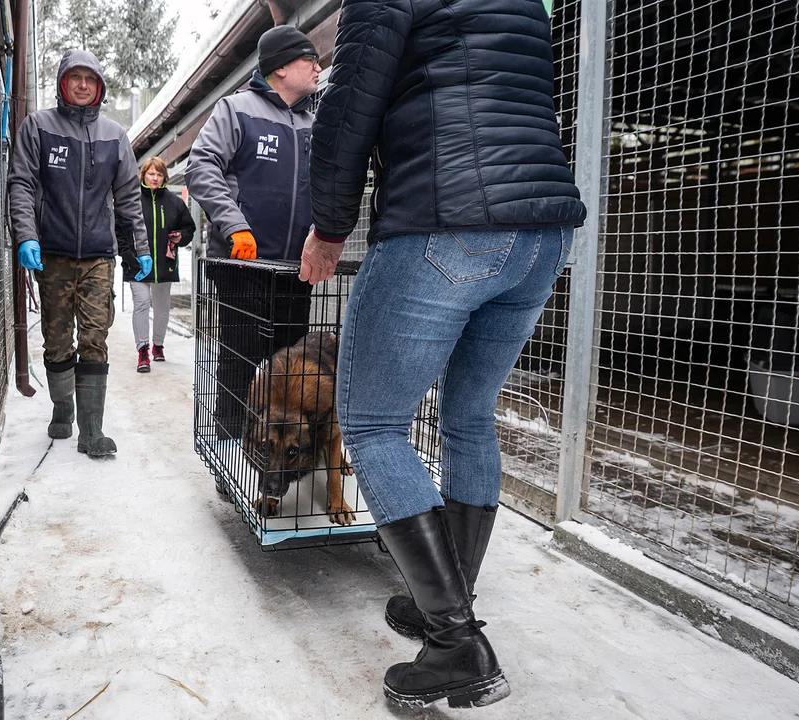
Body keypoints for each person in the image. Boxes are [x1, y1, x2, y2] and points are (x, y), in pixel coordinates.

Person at [302, 0, 586, 709]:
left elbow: (348, 107)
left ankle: (456, 644)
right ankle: (449, 597)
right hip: (541, 233)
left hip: (446, 220)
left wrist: (330, 227)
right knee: (467, 417)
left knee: (371, 424)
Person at [8, 49, 152, 458]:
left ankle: (92, 431)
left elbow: (128, 198)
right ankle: (63, 409)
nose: (84, 85)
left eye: (91, 78)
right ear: (62, 83)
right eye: (76, 77)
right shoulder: (38, 127)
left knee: (94, 337)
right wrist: (25, 236)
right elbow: (20, 184)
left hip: (98, 257)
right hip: (51, 254)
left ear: (100, 86)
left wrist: (138, 249)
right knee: (57, 339)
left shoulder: (114, 135)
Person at [185, 25, 321, 440]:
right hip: (245, 267)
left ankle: (280, 449)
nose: (318, 67)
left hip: (294, 270)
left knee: (291, 368)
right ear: (281, 67)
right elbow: (201, 167)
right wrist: (235, 225)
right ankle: (229, 449)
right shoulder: (236, 109)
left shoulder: (314, 122)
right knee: (238, 363)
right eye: (309, 60)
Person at [118, 157, 196, 373]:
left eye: (159, 174)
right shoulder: (132, 200)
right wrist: (128, 256)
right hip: (137, 265)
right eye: (151, 173)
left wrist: (181, 237)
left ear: (164, 178)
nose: (155, 178)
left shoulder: (175, 202)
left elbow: (189, 229)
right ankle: (142, 350)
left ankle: (158, 345)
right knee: (142, 303)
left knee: (162, 307)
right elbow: (120, 230)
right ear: (143, 175)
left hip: (165, 265)